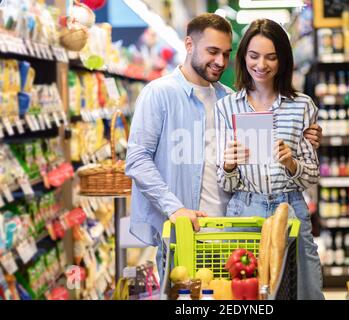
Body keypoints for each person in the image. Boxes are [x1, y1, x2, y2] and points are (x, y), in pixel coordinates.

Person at [125, 13, 322, 283]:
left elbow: (257, 159)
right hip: (186, 230)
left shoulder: (229, 99)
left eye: (226, 53)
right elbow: (136, 159)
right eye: (212, 51)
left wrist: (305, 136)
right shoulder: (160, 93)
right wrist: (175, 209)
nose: (220, 61)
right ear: (189, 45)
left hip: (230, 229)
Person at [215, 19, 325, 300]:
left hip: (291, 207)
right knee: (247, 295)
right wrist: (229, 164)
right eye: (253, 56)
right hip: (245, 208)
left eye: (271, 57)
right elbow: (226, 181)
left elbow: (311, 176)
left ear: (283, 60)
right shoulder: (227, 107)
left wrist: (290, 163)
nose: (261, 65)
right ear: (243, 58)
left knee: (306, 291)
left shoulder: (302, 106)